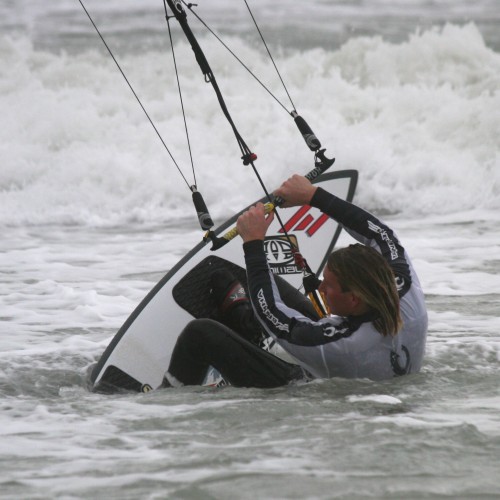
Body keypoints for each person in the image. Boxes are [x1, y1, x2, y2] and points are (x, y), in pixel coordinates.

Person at [164, 174, 427, 387]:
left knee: (200, 334)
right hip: (361, 355)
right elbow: (382, 235)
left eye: (329, 285)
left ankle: (165, 398)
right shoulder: (405, 292)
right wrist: (314, 196)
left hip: (302, 389)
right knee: (253, 279)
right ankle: (247, 328)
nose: (320, 287)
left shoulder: (342, 346)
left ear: (354, 299)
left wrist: (254, 243)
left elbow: (274, 315)